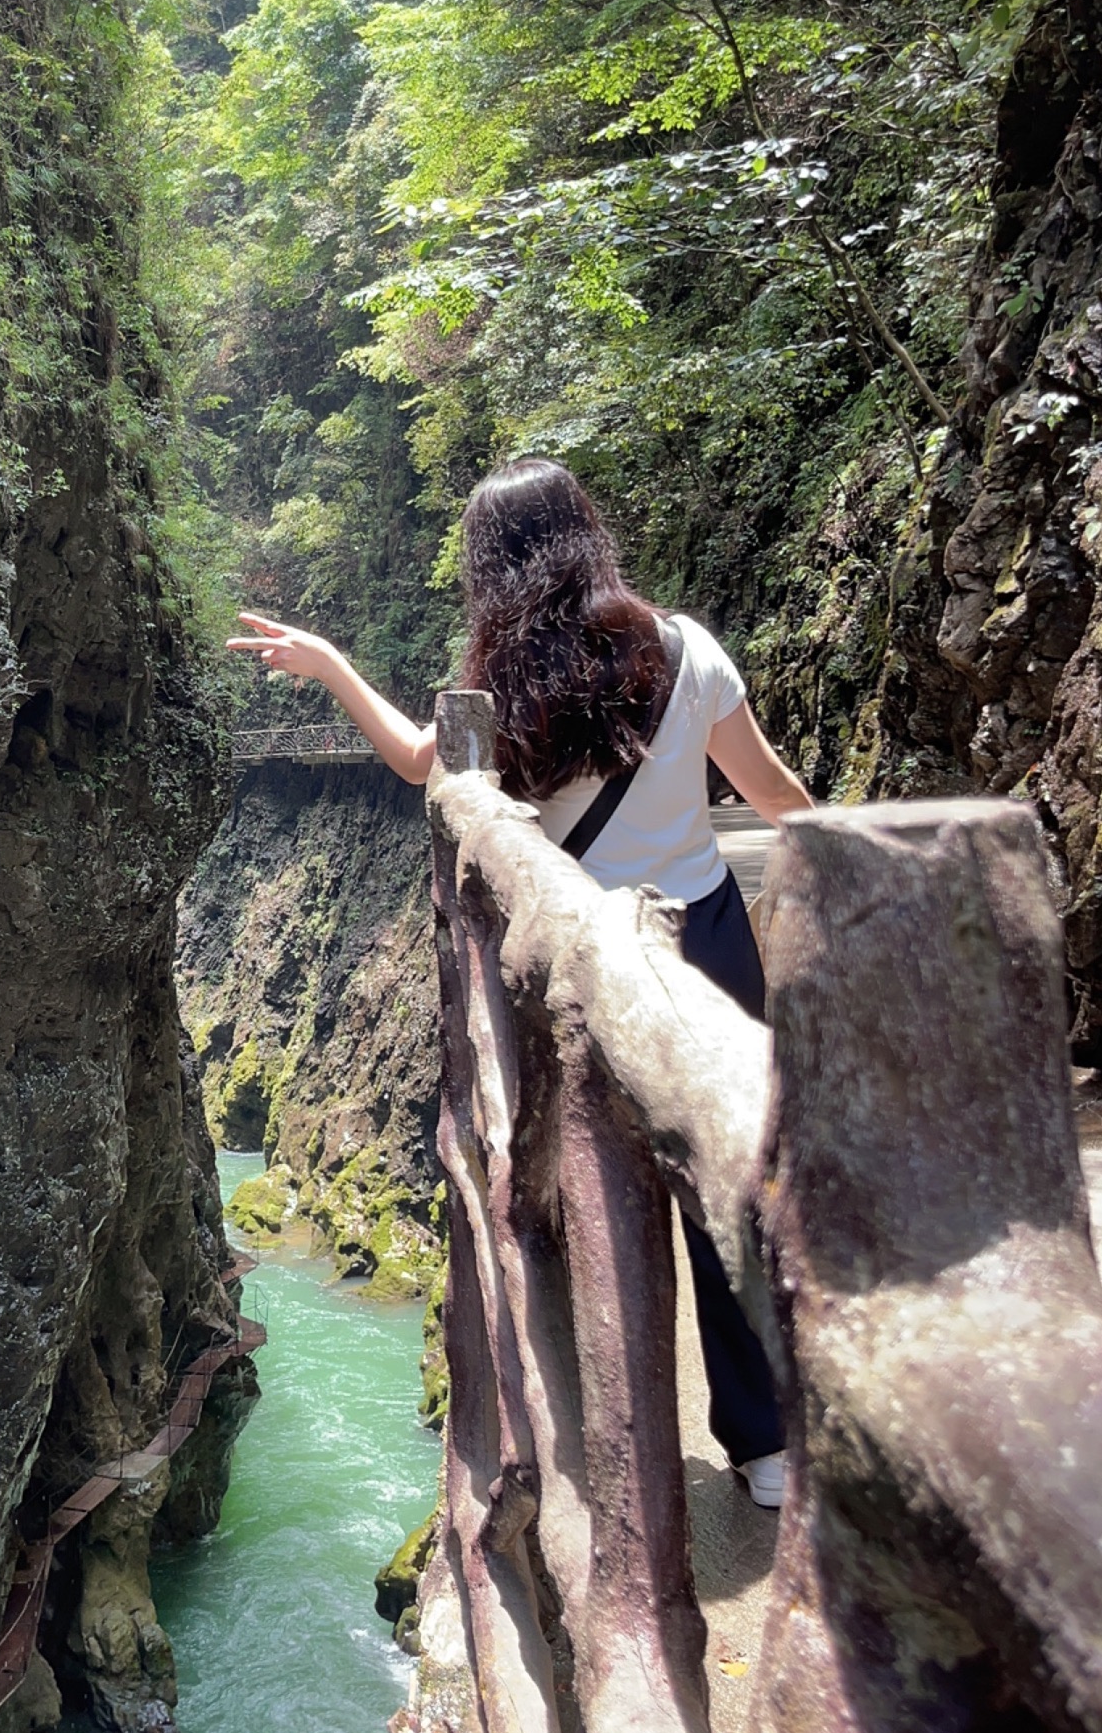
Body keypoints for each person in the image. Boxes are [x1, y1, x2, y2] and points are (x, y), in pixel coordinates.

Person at [227, 456, 813, 1509]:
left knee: (588, 1196)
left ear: (489, 566)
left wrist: (330, 666)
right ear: (588, 532)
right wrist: (851, 871)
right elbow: (769, 789)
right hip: (709, 937)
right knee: (728, 1182)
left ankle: (603, 1450)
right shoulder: (685, 647)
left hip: (577, 965)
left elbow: (421, 763)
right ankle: (766, 1449)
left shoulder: (491, 684)